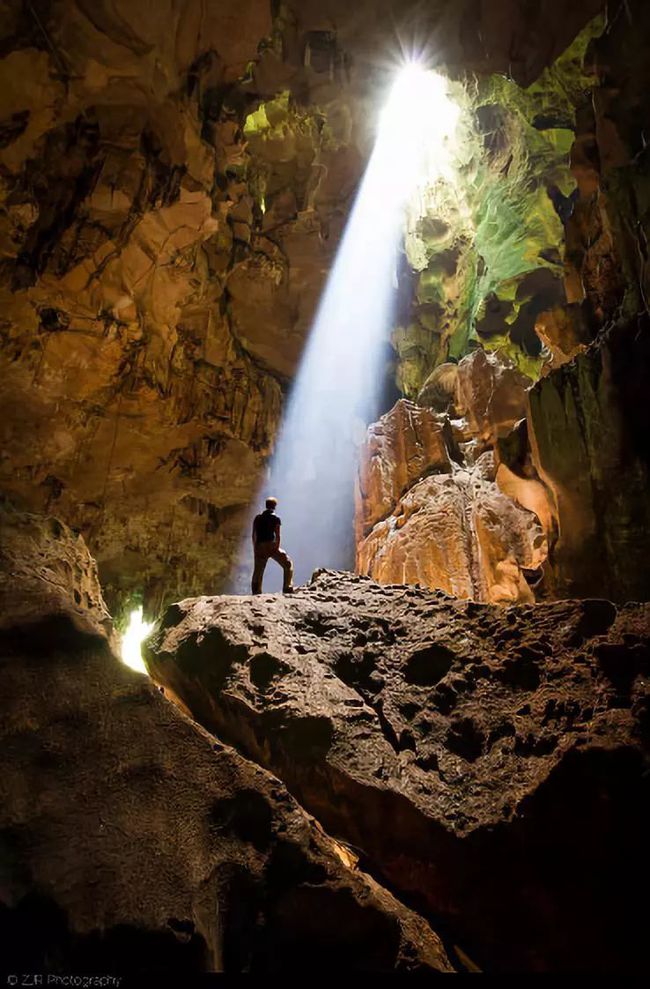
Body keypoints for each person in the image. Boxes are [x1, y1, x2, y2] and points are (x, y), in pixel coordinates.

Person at [251, 497, 294, 595]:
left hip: (260, 546)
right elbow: (278, 535)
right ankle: (287, 587)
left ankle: (256, 591)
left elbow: (254, 534)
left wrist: (255, 547)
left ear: (266, 505)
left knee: (258, 570)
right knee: (287, 563)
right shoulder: (276, 518)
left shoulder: (258, 518)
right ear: (275, 506)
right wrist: (277, 547)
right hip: (271, 545)